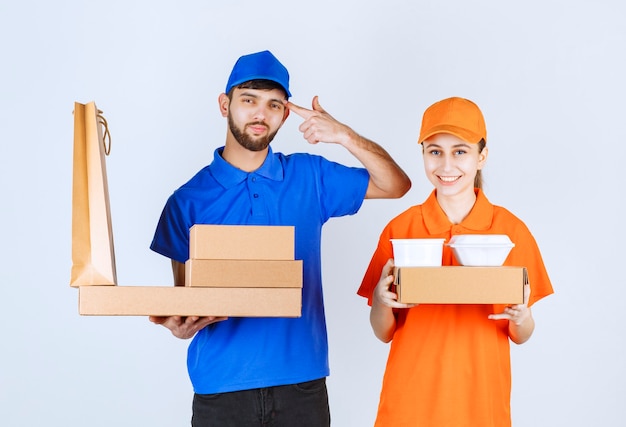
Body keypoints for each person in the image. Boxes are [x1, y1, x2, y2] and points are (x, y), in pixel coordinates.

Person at [148, 50, 411, 427]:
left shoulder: (310, 177)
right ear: (225, 104)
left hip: (301, 386)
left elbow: (396, 185)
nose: (261, 114)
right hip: (221, 389)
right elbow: (185, 297)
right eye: (249, 100)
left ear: (285, 115)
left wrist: (344, 136)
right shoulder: (187, 200)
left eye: (274, 104)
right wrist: (181, 325)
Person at [357, 96, 554, 427]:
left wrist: (522, 316)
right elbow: (383, 331)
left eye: (459, 151)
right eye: (435, 152)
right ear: (423, 155)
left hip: (480, 404)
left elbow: (521, 334)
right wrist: (380, 301)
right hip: (410, 402)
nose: (446, 166)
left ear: (482, 157)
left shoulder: (510, 231)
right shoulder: (401, 229)